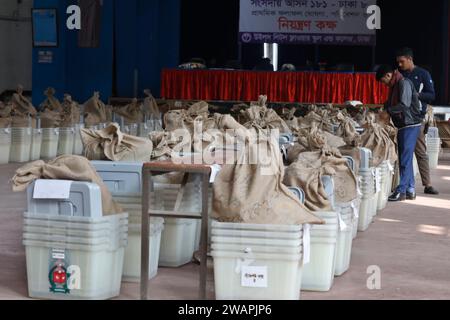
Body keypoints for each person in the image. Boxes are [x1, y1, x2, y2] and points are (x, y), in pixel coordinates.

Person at [376, 65, 423, 202]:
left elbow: (404, 104)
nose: (384, 85)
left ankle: (401, 191)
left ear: (388, 75)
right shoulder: (395, 85)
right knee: (405, 158)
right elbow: (392, 102)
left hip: (410, 124)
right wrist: (384, 107)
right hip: (404, 125)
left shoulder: (403, 83)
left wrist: (388, 111)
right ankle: (410, 190)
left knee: (405, 159)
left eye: (383, 81)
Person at [396, 47, 439, 195]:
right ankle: (403, 184)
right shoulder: (399, 75)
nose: (400, 65)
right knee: (403, 153)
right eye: (398, 62)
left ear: (409, 59)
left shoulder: (423, 74)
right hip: (402, 120)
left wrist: (416, 95)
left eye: (402, 61)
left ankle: (427, 184)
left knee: (420, 152)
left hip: (417, 119)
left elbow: (431, 95)